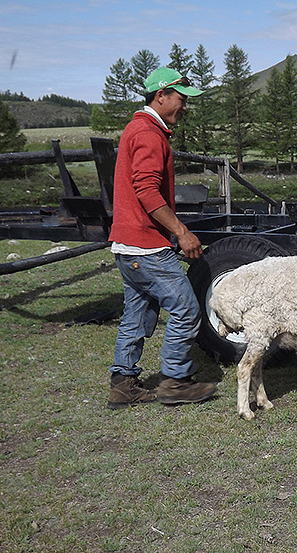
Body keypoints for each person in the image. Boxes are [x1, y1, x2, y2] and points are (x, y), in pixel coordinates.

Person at [107, 67, 217, 409]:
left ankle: (123, 384)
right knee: (185, 307)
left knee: (136, 314)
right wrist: (181, 232)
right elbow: (147, 192)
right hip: (146, 245)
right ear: (162, 95)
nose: (184, 107)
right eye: (182, 99)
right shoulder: (149, 134)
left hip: (127, 245)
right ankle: (174, 380)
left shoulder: (138, 129)